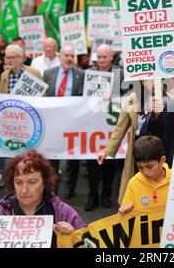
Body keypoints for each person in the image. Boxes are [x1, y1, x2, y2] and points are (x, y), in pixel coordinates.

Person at [0, 149, 86, 248]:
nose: (24, 190)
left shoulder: (63, 213)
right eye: (19, 182)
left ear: (45, 183)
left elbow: (92, 245)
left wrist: (73, 237)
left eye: (32, 182)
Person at [97, 79, 161, 206]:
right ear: (142, 82)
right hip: (139, 149)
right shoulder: (132, 98)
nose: (153, 83)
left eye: (156, 80)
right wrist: (106, 151)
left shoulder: (170, 98)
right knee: (140, 181)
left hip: (161, 149)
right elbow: (120, 127)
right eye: (149, 80)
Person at [0, 44, 43, 189]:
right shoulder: (4, 75)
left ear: (21, 58)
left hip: (29, 120)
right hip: (11, 120)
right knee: (7, 146)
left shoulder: (35, 73)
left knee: (27, 150)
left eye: (12, 57)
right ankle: (4, 175)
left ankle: (29, 176)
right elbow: (0, 97)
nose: (8, 60)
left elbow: (43, 98)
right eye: (6, 57)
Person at [84, 44, 124, 211]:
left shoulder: (120, 74)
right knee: (92, 163)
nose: (101, 60)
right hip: (93, 126)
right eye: (99, 57)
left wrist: (113, 96)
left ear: (111, 57)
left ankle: (106, 195)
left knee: (110, 163)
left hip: (112, 126)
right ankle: (92, 196)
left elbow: (129, 94)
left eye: (104, 57)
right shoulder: (89, 73)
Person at [43, 46, 84, 199]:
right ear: (60, 57)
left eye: (72, 55)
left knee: (73, 159)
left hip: (73, 123)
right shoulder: (48, 74)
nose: (69, 58)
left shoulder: (81, 75)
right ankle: (53, 190)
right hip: (53, 122)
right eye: (66, 55)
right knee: (52, 158)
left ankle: (70, 188)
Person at [119, 136, 171, 214]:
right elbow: (123, 218)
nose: (145, 172)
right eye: (140, 167)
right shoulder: (133, 184)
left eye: (149, 167)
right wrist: (124, 212)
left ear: (162, 160)